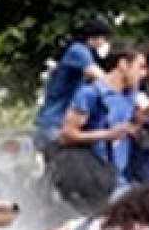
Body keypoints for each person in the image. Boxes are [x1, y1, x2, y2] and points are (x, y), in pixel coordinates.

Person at [54, 46, 147, 206]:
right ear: (123, 64)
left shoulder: (129, 96)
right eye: (140, 67)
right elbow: (66, 135)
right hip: (92, 177)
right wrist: (107, 134)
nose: (143, 73)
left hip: (120, 176)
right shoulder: (90, 94)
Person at [35, 20, 113, 155]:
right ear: (95, 37)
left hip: (53, 126)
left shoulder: (83, 54)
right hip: (55, 125)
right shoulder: (78, 50)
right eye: (104, 39)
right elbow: (99, 77)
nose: (105, 43)